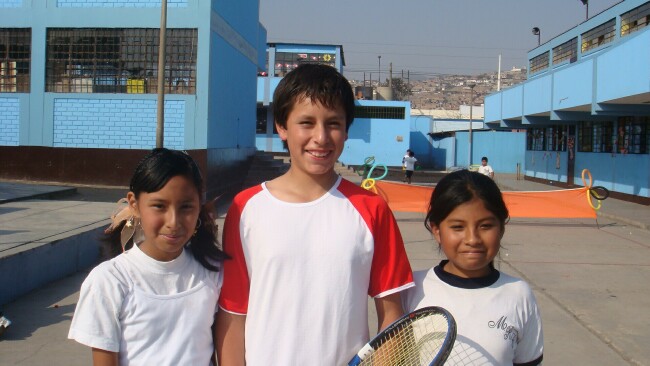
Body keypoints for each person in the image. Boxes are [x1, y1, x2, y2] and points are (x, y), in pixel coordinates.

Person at [216, 64, 414, 365]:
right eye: (306, 122)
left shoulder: (371, 209)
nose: (321, 137)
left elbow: (392, 316)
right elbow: (233, 313)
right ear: (282, 126)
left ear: (347, 130)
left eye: (333, 123)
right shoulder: (246, 208)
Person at [68, 148, 228, 365]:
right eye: (159, 206)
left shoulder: (213, 273)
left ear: (199, 205)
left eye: (186, 207)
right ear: (134, 204)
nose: (174, 222)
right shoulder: (110, 280)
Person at [402, 170, 543, 365]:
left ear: (501, 228)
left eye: (485, 226)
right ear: (436, 230)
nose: (472, 239)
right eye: (458, 227)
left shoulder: (519, 294)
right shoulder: (412, 289)